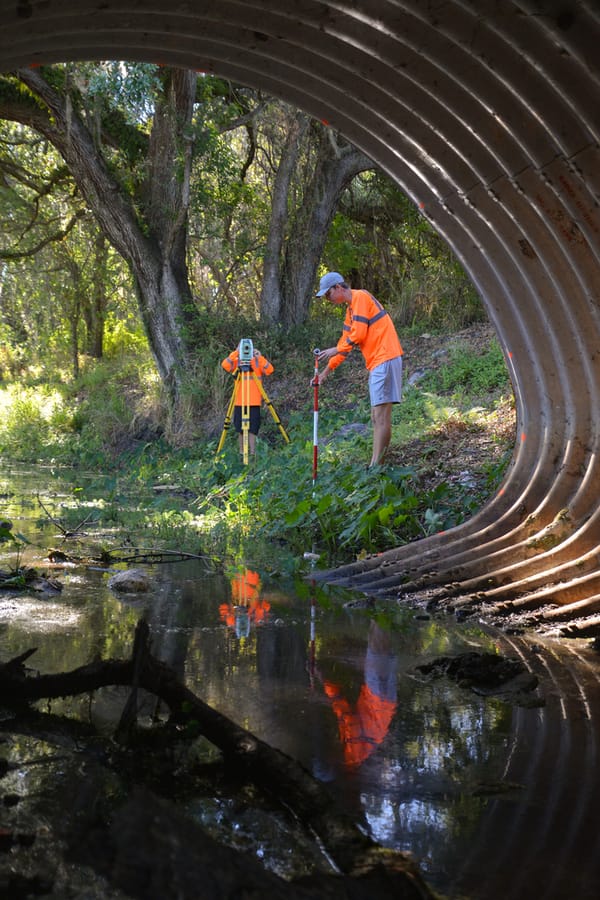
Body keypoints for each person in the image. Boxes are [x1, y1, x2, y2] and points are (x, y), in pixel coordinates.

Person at [314, 272, 403, 466]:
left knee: (380, 417)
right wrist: (325, 373)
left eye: (328, 295)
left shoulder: (360, 297)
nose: (328, 300)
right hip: (378, 362)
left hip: (385, 357)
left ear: (338, 287)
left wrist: (336, 349)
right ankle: (375, 464)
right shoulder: (350, 311)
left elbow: (358, 335)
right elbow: (345, 344)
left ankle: (376, 467)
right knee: (376, 416)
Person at [222, 342, 274, 457]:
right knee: (240, 429)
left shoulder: (256, 360)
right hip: (240, 401)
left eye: (247, 348)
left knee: (253, 429)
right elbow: (225, 365)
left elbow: (270, 370)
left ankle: (252, 453)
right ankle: (242, 453)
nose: (246, 351)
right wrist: (236, 353)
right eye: (243, 348)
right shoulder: (236, 361)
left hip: (254, 401)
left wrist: (259, 357)